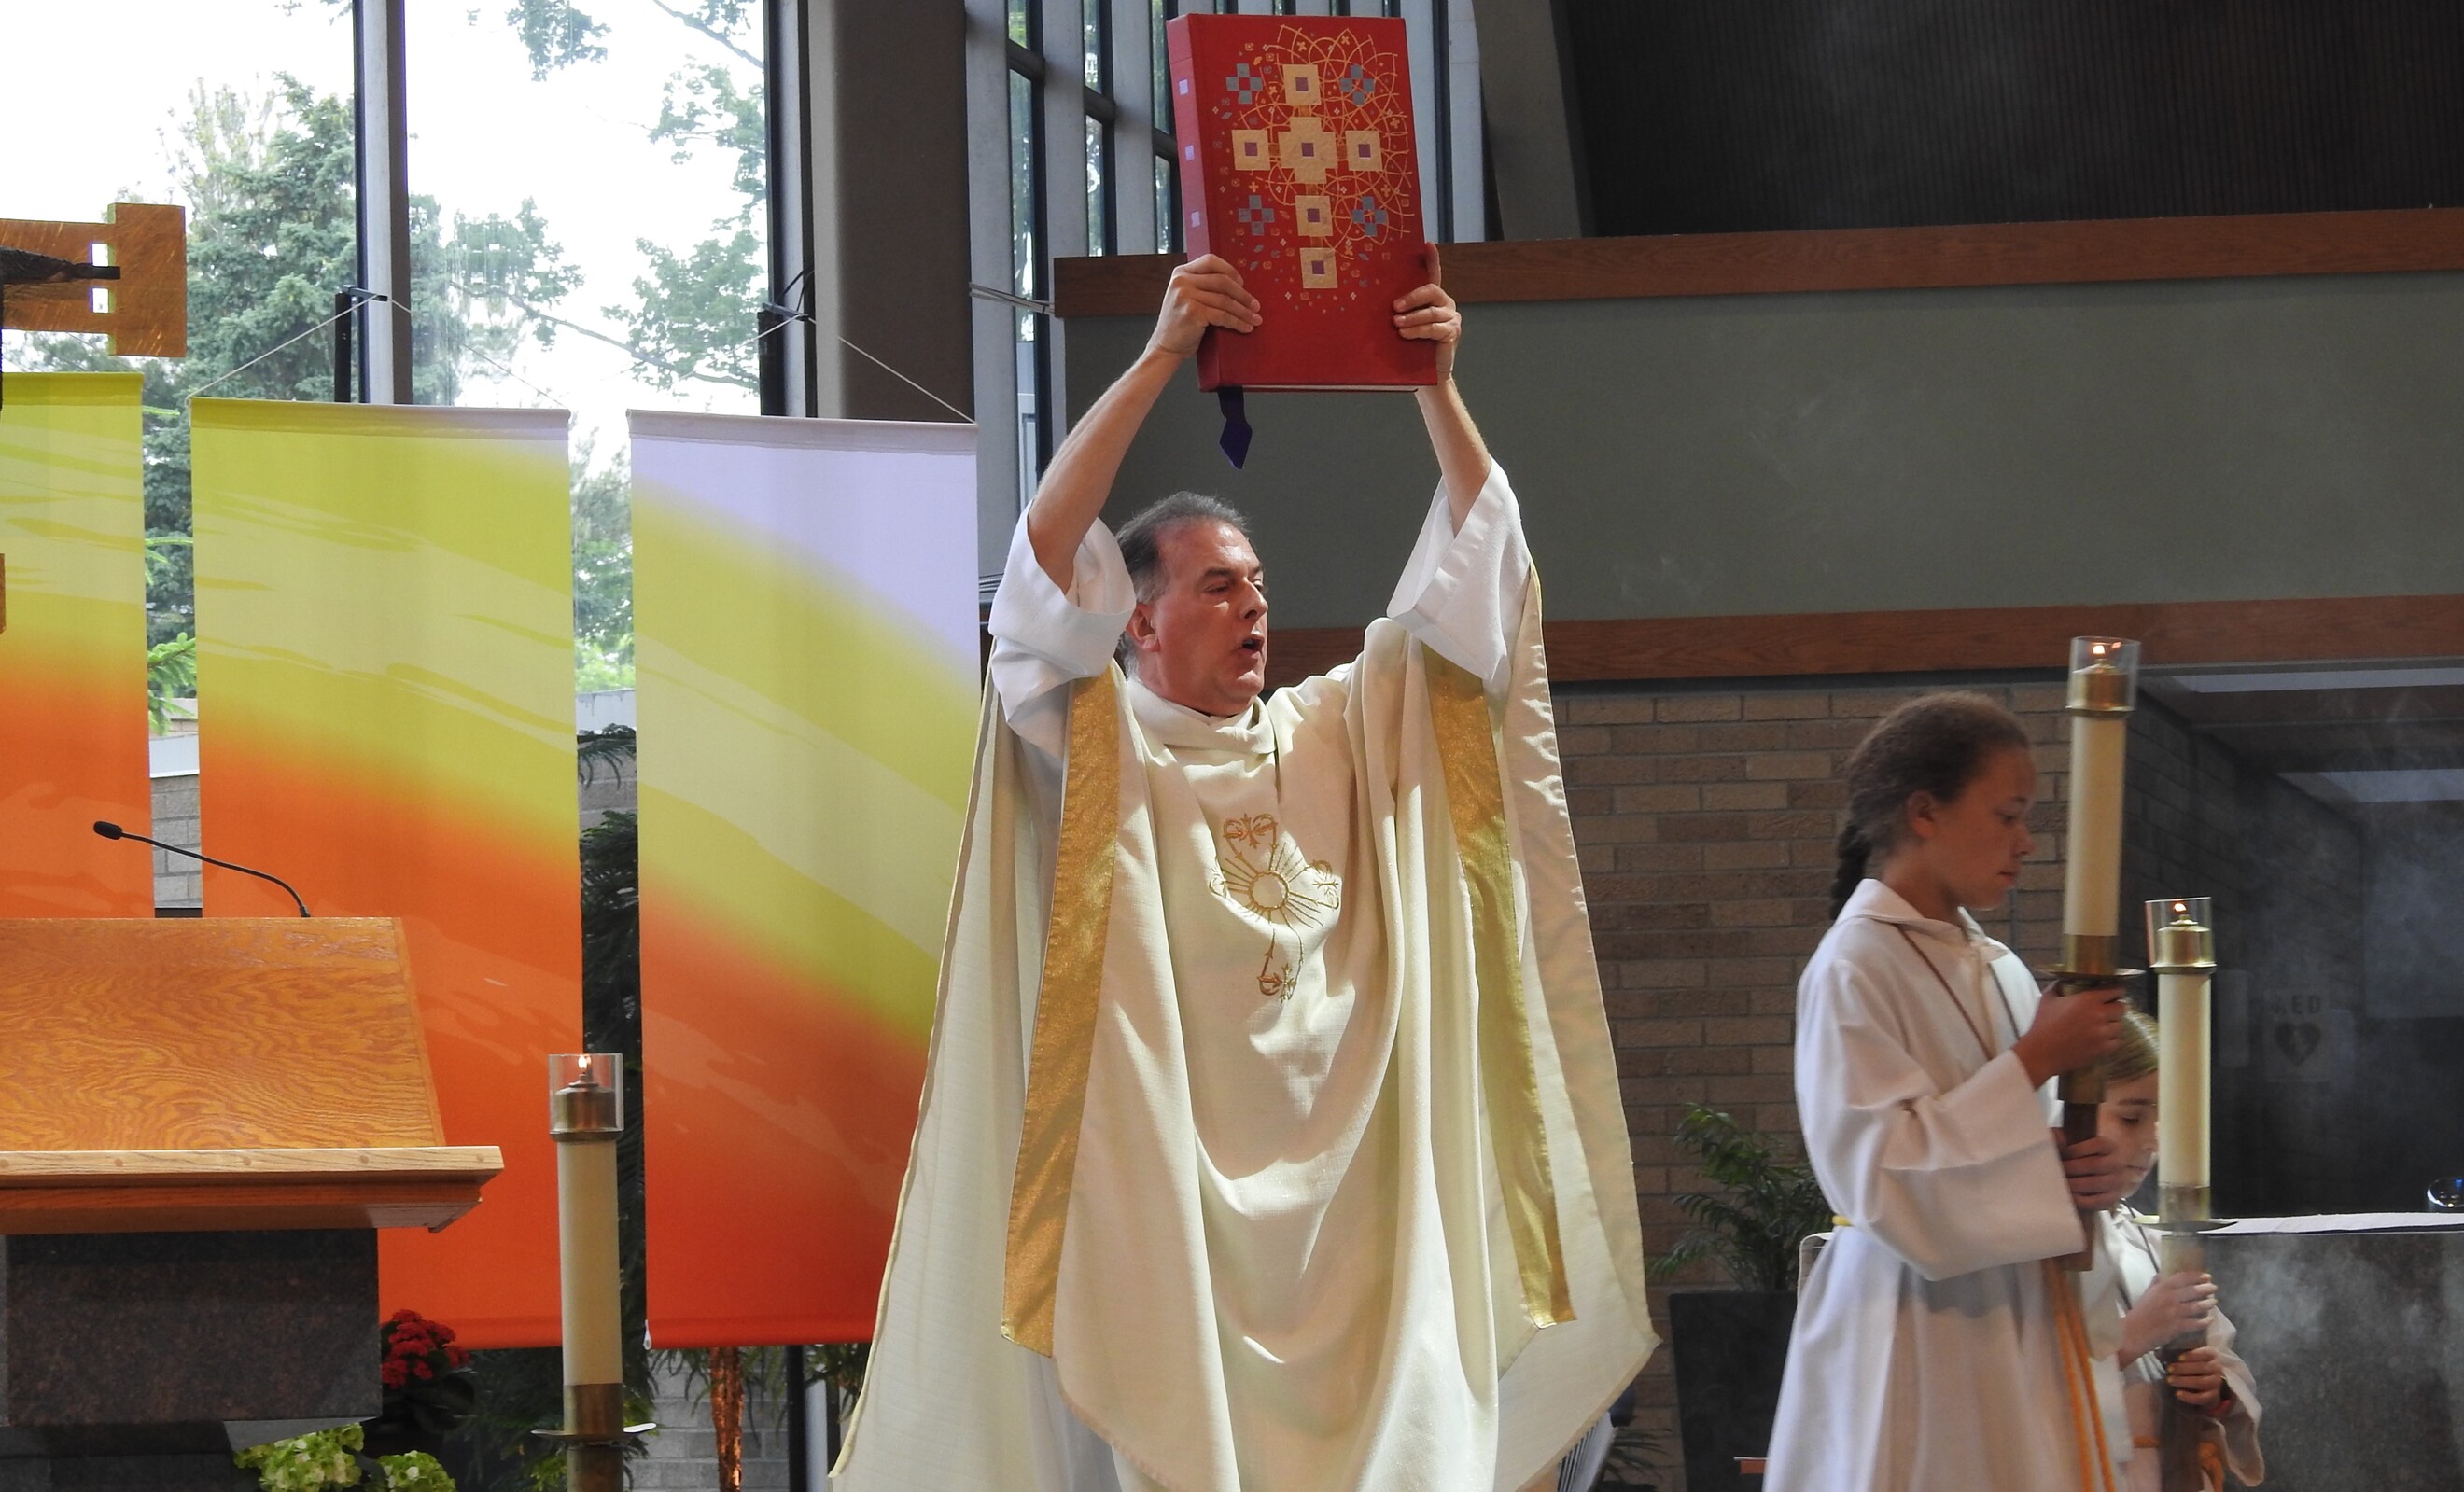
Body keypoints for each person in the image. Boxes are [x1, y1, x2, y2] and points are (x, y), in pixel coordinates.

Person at [832, 248, 1656, 1492]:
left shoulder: (1341, 730)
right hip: (1182, 1221)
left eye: (1259, 585)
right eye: (1218, 586)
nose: (1255, 606)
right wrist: (1161, 354)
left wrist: (1432, 385)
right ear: (1139, 620)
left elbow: (1483, 572)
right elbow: (1038, 571)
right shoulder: (1101, 752)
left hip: (1370, 1226)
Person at [1762, 691, 2136, 1492]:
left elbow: (2021, 1157)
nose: (2026, 841)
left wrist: (2077, 1175)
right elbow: (1880, 1177)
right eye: (2007, 815)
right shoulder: (1854, 965)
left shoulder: (1998, 966)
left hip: (2016, 1318)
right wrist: (2033, 1059)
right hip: (1913, 1327)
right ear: (1925, 811)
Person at [2093, 1011, 2266, 1491]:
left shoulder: (2152, 1243)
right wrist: (2130, 1338)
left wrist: (2216, 1391)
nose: (2152, 1141)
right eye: (2130, 1117)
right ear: (2068, 1111)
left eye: (2160, 1118)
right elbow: (2010, 1393)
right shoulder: (2031, 1248)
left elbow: (2224, 1363)